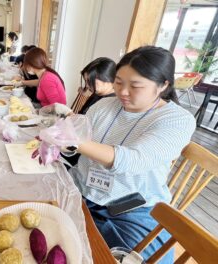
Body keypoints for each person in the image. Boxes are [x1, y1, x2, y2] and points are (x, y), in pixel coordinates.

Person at [57, 46, 196, 262]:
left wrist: (73, 140)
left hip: (129, 208)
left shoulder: (177, 120)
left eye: (135, 85)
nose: (122, 91)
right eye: (119, 82)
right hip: (81, 191)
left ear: (163, 85)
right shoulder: (103, 106)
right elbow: (76, 140)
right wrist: (59, 142)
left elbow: (134, 159)